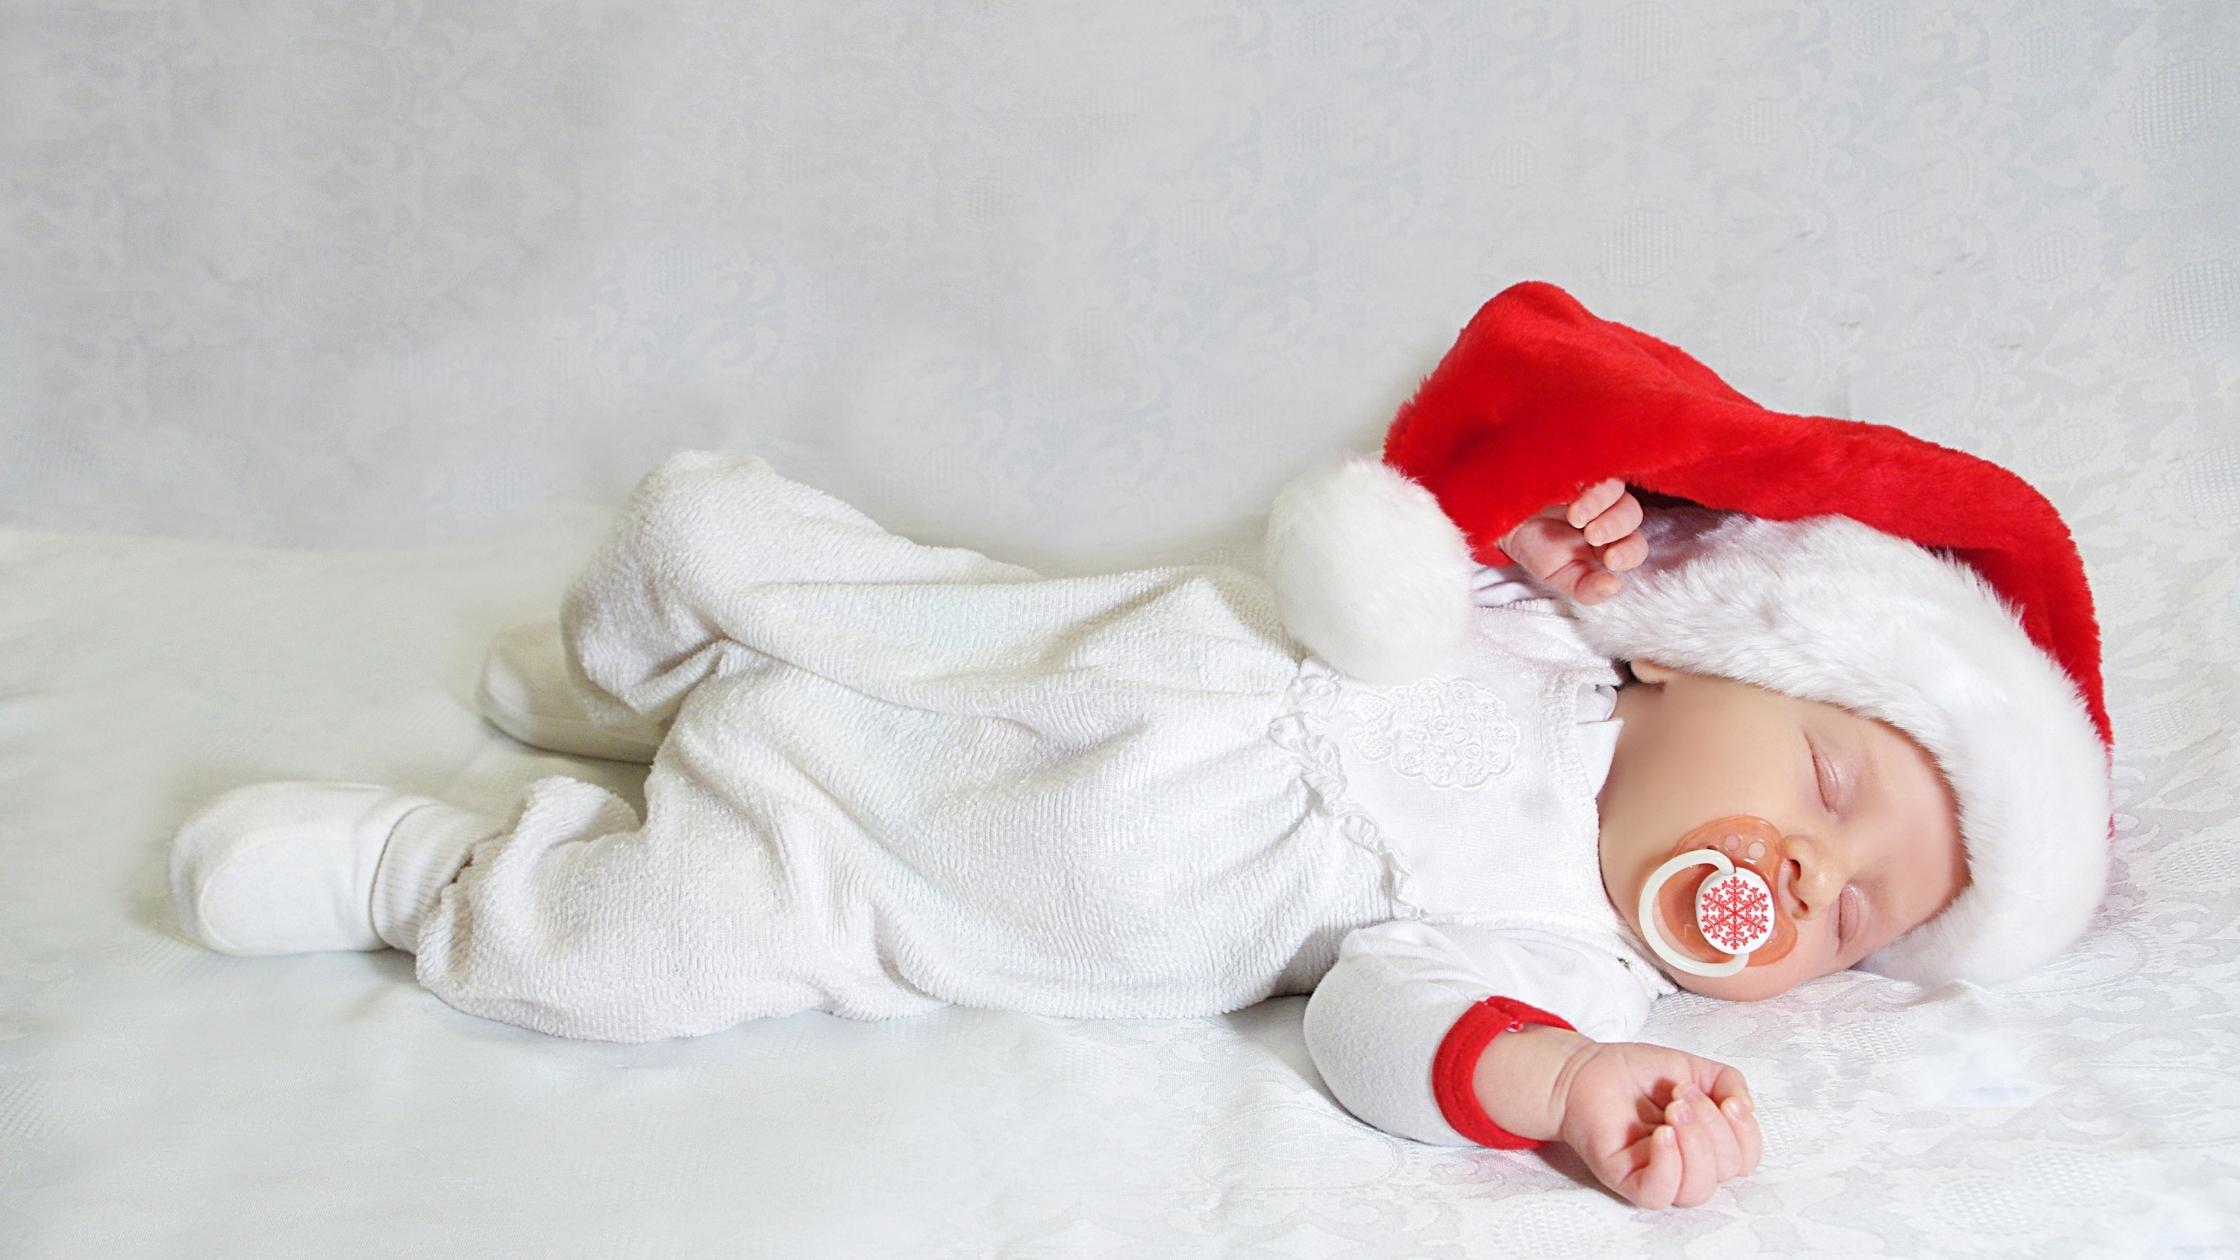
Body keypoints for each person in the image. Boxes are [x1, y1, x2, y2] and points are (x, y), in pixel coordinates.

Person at [165, 283, 2115, 1212]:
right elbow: (1416, 498)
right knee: (701, 529)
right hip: (958, 644)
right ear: (1699, 662)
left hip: (885, 883)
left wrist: (1563, 1083)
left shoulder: (1557, 946)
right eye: (1834, 788)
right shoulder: (1521, 621)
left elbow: (1374, 1036)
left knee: (620, 961)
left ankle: (415, 872)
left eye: (1857, 920)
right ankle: (613, 690)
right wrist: (1542, 522)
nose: (1806, 876)